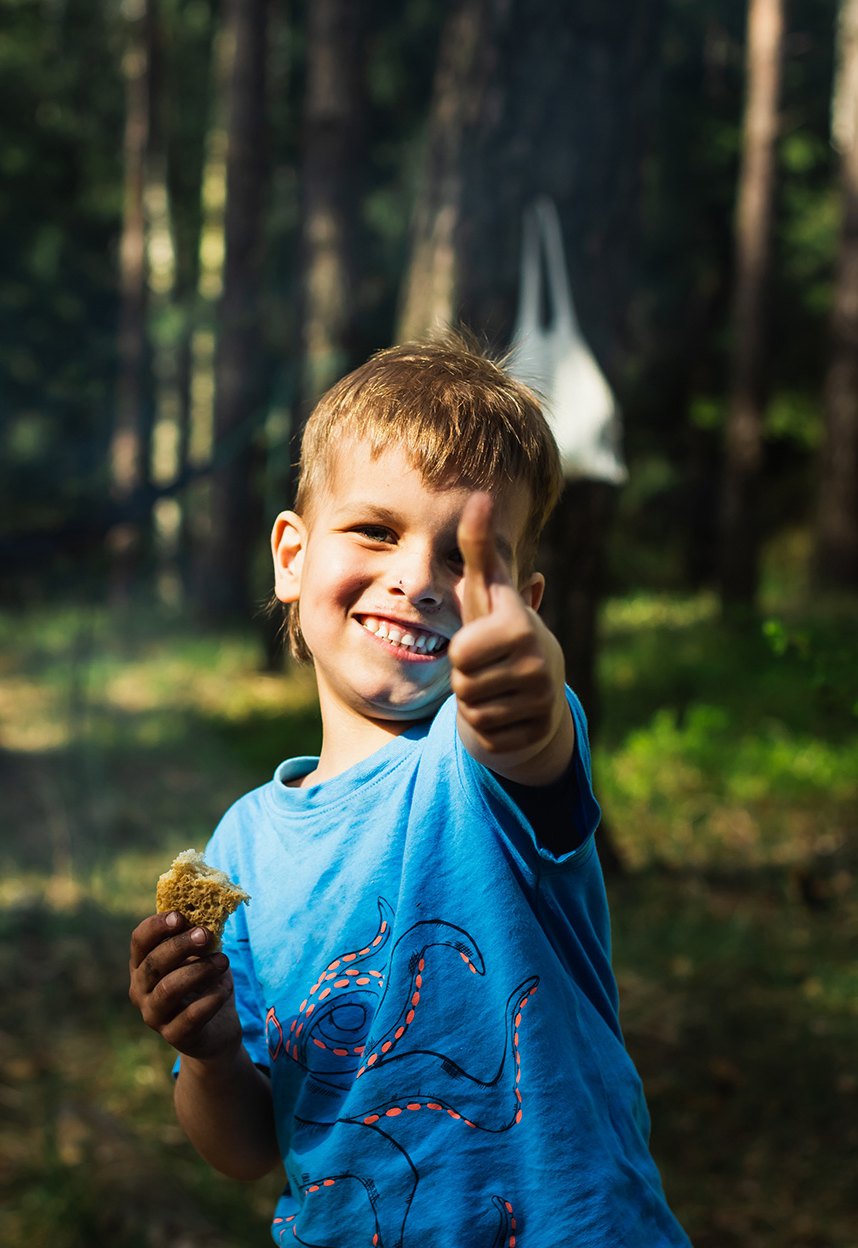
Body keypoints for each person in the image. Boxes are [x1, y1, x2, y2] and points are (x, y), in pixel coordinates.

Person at [129, 337, 691, 1247]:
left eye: (467, 559)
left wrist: (524, 673)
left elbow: (529, 728)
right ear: (291, 556)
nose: (419, 579)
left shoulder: (482, 761)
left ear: (523, 603)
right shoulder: (242, 847)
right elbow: (245, 1149)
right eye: (376, 530)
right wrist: (207, 1050)